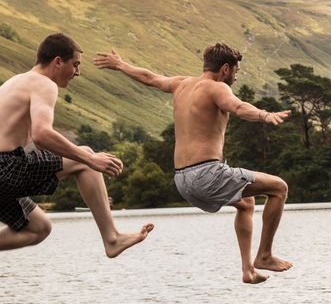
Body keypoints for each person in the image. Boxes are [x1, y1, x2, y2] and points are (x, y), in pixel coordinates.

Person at [94, 43, 292, 284]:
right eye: (236, 71)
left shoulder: (181, 84)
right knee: (279, 188)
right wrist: (264, 115)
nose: (237, 77)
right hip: (207, 174)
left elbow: (149, 78)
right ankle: (264, 255)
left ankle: (248, 270)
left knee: (246, 202)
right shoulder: (217, 88)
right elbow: (238, 107)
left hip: (182, 180)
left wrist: (121, 65)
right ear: (225, 68)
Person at [0, 32, 154, 258]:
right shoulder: (44, 84)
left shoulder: (14, 82)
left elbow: (39, 144)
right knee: (87, 158)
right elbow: (42, 135)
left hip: (5, 171)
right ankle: (112, 238)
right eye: (76, 64)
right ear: (58, 61)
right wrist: (90, 160)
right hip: (5, 168)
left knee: (40, 228)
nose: (78, 72)